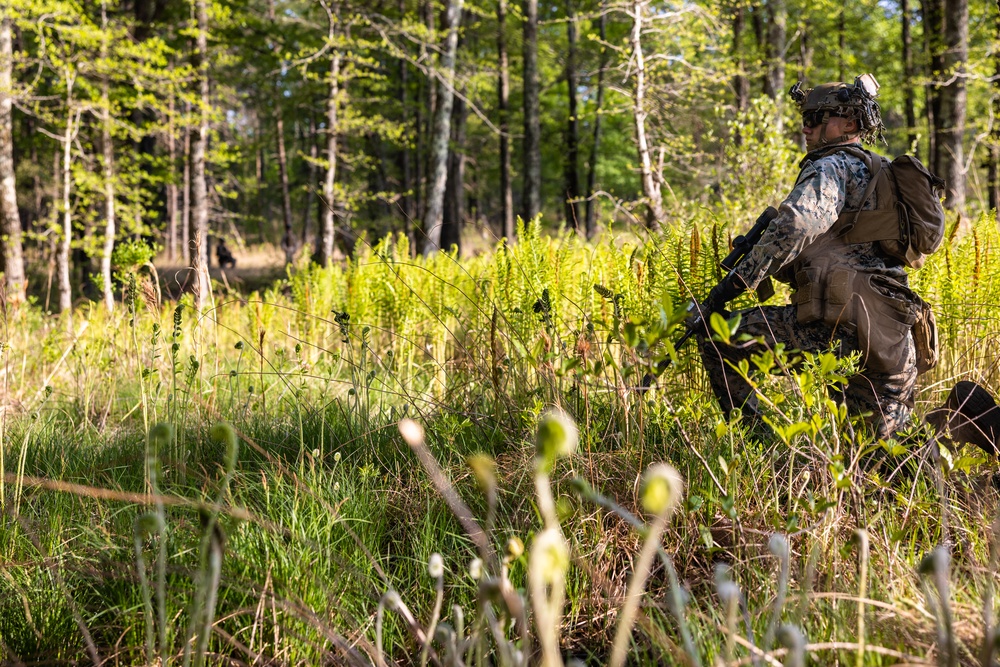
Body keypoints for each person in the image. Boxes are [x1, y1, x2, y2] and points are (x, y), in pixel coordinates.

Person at [693, 74, 919, 441]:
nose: (806, 126)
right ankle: (972, 455)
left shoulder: (831, 166)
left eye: (818, 117)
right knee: (884, 462)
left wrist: (734, 285)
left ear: (849, 124)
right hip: (893, 336)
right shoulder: (883, 173)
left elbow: (798, 224)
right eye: (806, 118)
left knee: (720, 341)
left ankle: (764, 455)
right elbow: (846, 255)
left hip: (841, 334)